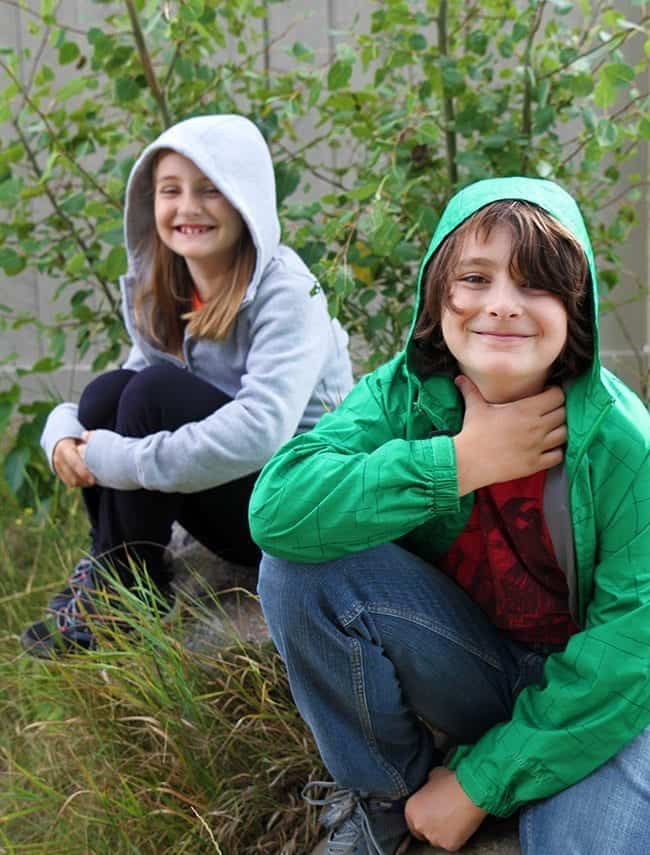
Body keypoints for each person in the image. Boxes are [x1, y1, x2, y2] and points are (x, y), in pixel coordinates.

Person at [249, 177, 650, 854]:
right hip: (476, 662)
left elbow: (626, 658)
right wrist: (461, 461)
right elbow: (278, 507)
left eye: (535, 284)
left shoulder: (623, 445)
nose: (501, 306)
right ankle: (383, 794)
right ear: (437, 299)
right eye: (475, 278)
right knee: (297, 570)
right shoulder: (401, 395)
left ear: (575, 310)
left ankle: (512, 780)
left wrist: (476, 785)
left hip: (600, 695)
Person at [22, 113, 353, 658]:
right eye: (170, 190)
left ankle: (122, 584)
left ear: (246, 201)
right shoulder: (171, 287)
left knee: (152, 394)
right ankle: (123, 576)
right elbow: (122, 387)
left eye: (211, 191)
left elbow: (261, 432)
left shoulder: (289, 293)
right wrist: (63, 433)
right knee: (111, 393)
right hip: (232, 494)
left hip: (293, 506)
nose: (188, 208)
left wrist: (119, 460)